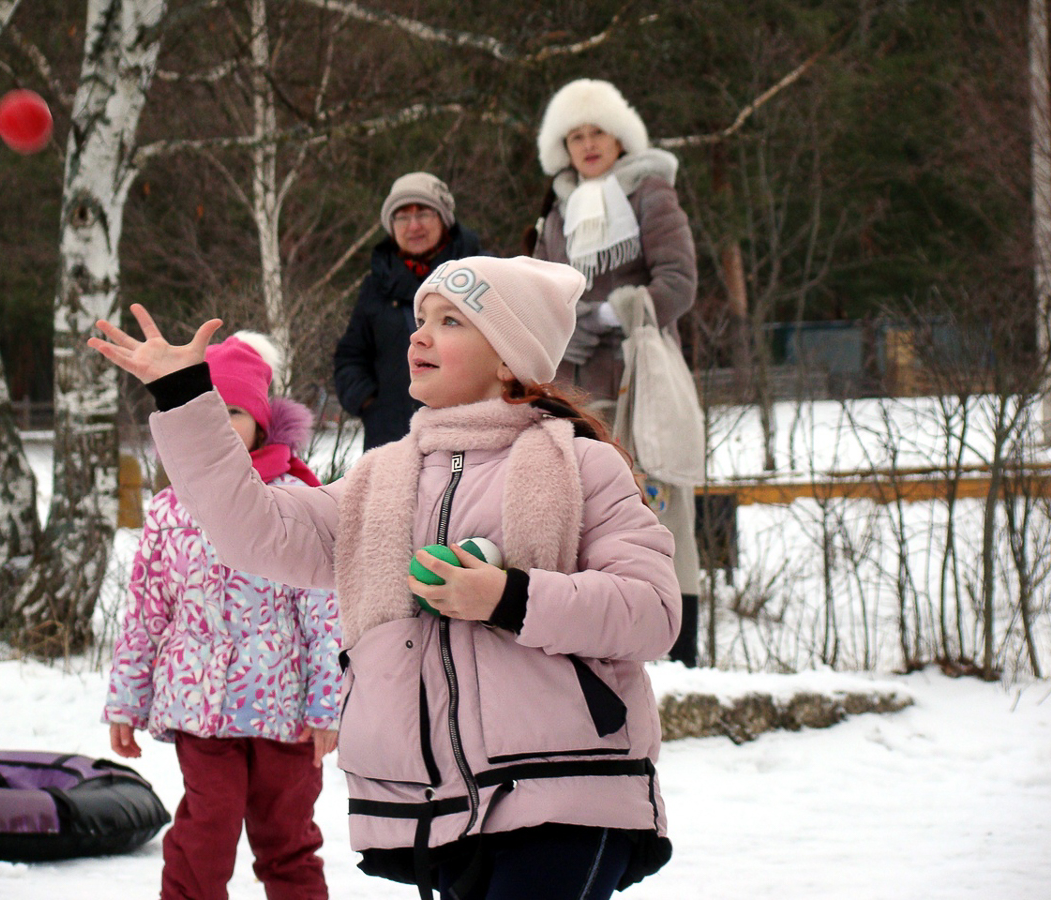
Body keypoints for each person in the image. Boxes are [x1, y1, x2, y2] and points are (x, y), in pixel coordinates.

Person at [89, 255, 681, 900]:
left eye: (451, 321)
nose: (418, 334)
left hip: (563, 792)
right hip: (440, 808)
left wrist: (507, 596)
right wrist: (185, 399)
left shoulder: (582, 466)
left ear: (510, 358)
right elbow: (254, 531)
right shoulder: (378, 482)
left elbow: (651, 611)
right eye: (421, 318)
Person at [102, 332, 343, 900]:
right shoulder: (168, 509)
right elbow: (145, 612)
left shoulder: (294, 500)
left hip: (286, 714)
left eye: (232, 411)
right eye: (209, 410)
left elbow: (324, 614)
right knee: (204, 835)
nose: (222, 424)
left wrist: (327, 704)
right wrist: (126, 698)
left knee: (287, 838)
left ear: (261, 420)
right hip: (200, 711)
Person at [528, 78, 703, 668]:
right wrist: (570, 323)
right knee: (586, 513)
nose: (587, 144)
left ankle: (677, 647)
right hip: (577, 386)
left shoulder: (652, 193)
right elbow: (546, 294)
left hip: (641, 382)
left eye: (596, 131)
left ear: (620, 135)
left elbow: (678, 282)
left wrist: (617, 310)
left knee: (660, 508)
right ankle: (601, 639)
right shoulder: (556, 212)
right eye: (574, 136)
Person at [334, 172, 482, 450]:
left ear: (444, 220)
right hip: (392, 438)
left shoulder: (481, 274)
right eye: (402, 216)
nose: (413, 225)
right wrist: (370, 402)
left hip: (469, 434)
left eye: (423, 213)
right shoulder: (375, 285)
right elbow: (350, 356)